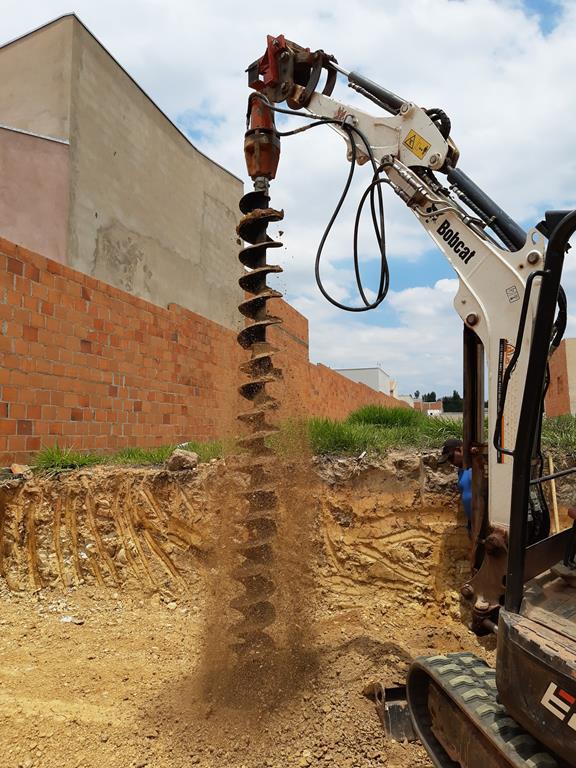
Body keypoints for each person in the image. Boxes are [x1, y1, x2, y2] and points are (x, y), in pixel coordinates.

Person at [438, 438, 472, 532]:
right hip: (472, 523)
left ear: (459, 450)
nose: (450, 462)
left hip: (484, 521)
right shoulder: (461, 470)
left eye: (450, 457)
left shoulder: (477, 467)